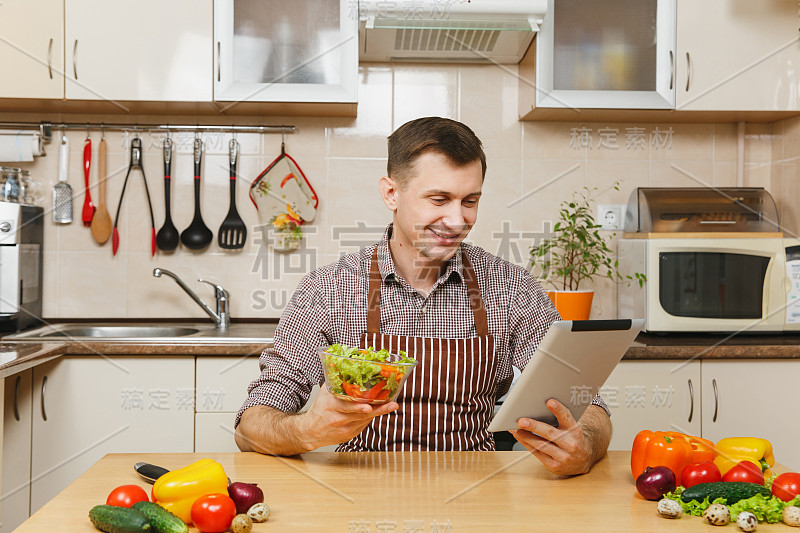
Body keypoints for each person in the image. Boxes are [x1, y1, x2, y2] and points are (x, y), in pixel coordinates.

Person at [235, 117, 612, 476]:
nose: (457, 220)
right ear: (391, 193)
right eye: (438, 199)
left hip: (476, 492)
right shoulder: (329, 290)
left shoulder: (511, 287)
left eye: (469, 201)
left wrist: (586, 445)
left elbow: (588, 403)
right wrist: (305, 431)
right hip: (357, 492)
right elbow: (250, 425)